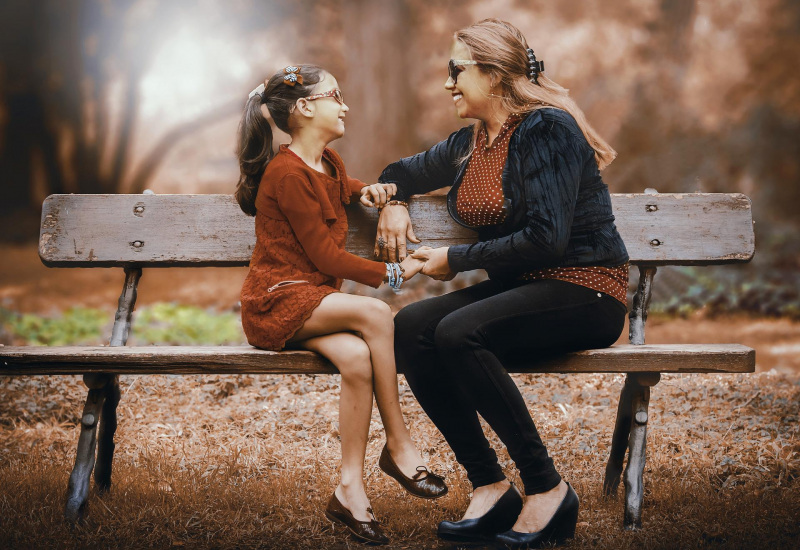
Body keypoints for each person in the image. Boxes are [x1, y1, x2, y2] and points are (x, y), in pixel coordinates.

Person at [361, 19, 630, 549]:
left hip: (585, 287)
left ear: (494, 73)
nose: (448, 84)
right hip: (526, 288)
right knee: (412, 326)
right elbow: (401, 169)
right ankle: (489, 483)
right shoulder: (471, 142)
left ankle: (547, 488)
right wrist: (393, 202)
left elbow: (547, 240)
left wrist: (455, 257)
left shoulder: (547, 129)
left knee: (460, 332)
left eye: (456, 71)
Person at [235, 64, 447, 546]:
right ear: (306, 108)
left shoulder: (327, 163)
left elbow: (345, 191)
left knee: (355, 359)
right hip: (276, 301)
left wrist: (377, 194)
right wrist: (399, 271)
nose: (344, 104)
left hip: (312, 299)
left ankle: (349, 490)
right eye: (335, 95)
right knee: (375, 313)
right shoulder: (285, 173)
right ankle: (399, 445)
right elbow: (326, 257)